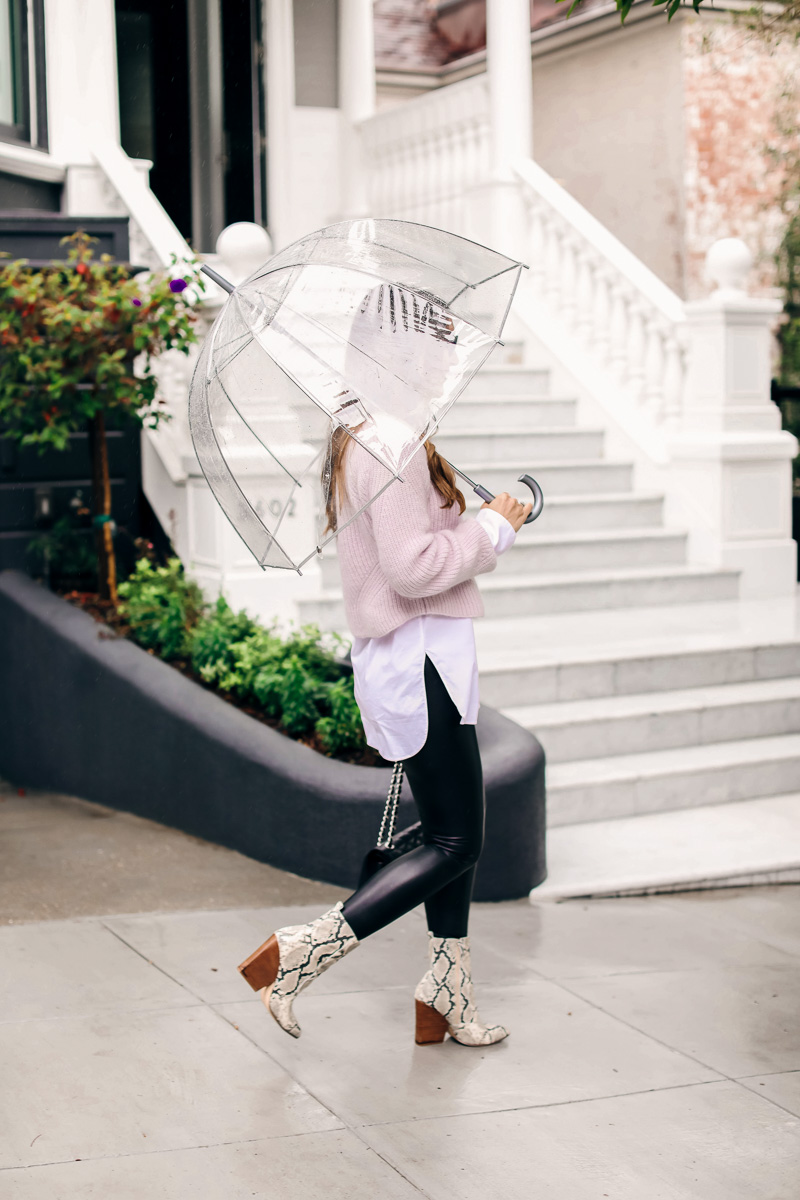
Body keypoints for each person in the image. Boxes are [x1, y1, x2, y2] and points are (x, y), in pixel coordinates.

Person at [236, 285, 532, 1046]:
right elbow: (409, 567)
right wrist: (491, 531)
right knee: (457, 841)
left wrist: (466, 514)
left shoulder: (365, 435)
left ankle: (446, 991)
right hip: (421, 657)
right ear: (399, 355)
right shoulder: (391, 443)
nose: (443, 364)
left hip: (417, 660)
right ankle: (300, 956)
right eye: (434, 348)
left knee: (449, 831)